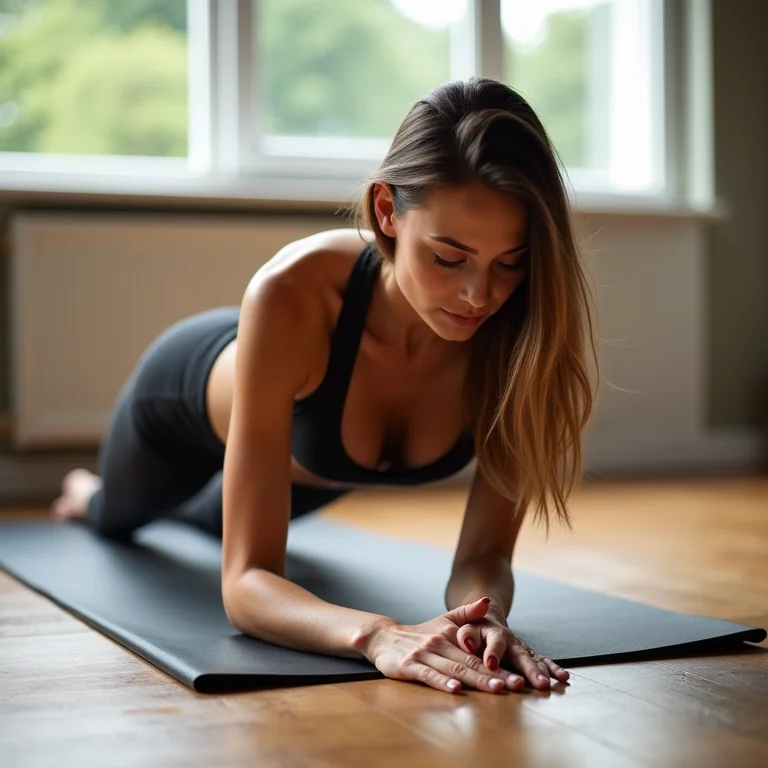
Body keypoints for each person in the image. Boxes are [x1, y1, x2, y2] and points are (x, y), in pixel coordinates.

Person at [51, 77, 597, 696]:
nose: (479, 295)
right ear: (387, 211)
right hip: (178, 407)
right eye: (448, 258)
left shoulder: (524, 336)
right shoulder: (291, 289)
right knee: (117, 518)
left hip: (307, 471)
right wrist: (379, 634)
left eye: (510, 262)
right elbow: (246, 583)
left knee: (210, 522)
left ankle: (205, 503)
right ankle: (85, 491)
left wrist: (483, 617)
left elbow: (485, 556)